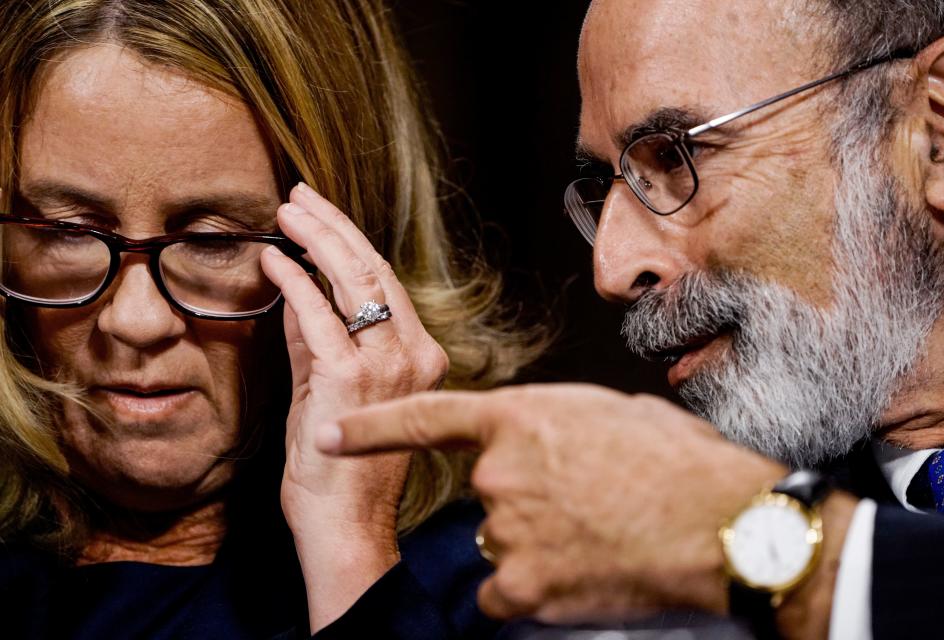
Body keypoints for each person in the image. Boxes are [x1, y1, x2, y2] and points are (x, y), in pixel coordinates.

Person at [318, 0, 944, 638]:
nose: (612, 268)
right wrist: (349, 542)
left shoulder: (729, 543)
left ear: (940, 135)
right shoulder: (654, 601)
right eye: (606, 185)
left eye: (677, 157)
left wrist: (778, 552)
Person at [0, 0, 541, 637]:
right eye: (70, 232)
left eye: (213, 240)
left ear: (348, 246)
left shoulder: (500, 586)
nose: (136, 322)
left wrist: (351, 545)